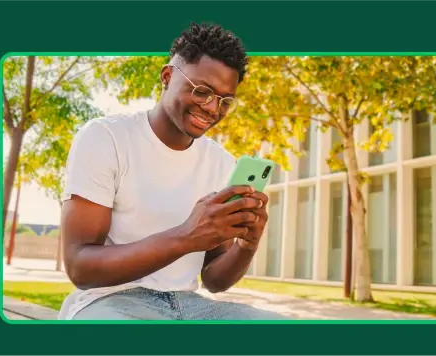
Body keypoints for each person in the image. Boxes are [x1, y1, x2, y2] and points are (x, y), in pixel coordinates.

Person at [57, 22, 289, 320]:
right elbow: (80, 268)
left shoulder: (221, 163)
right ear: (167, 76)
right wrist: (186, 237)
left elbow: (215, 281)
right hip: (108, 301)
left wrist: (247, 245)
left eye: (225, 100)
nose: (212, 108)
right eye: (203, 91)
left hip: (189, 305)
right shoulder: (106, 138)